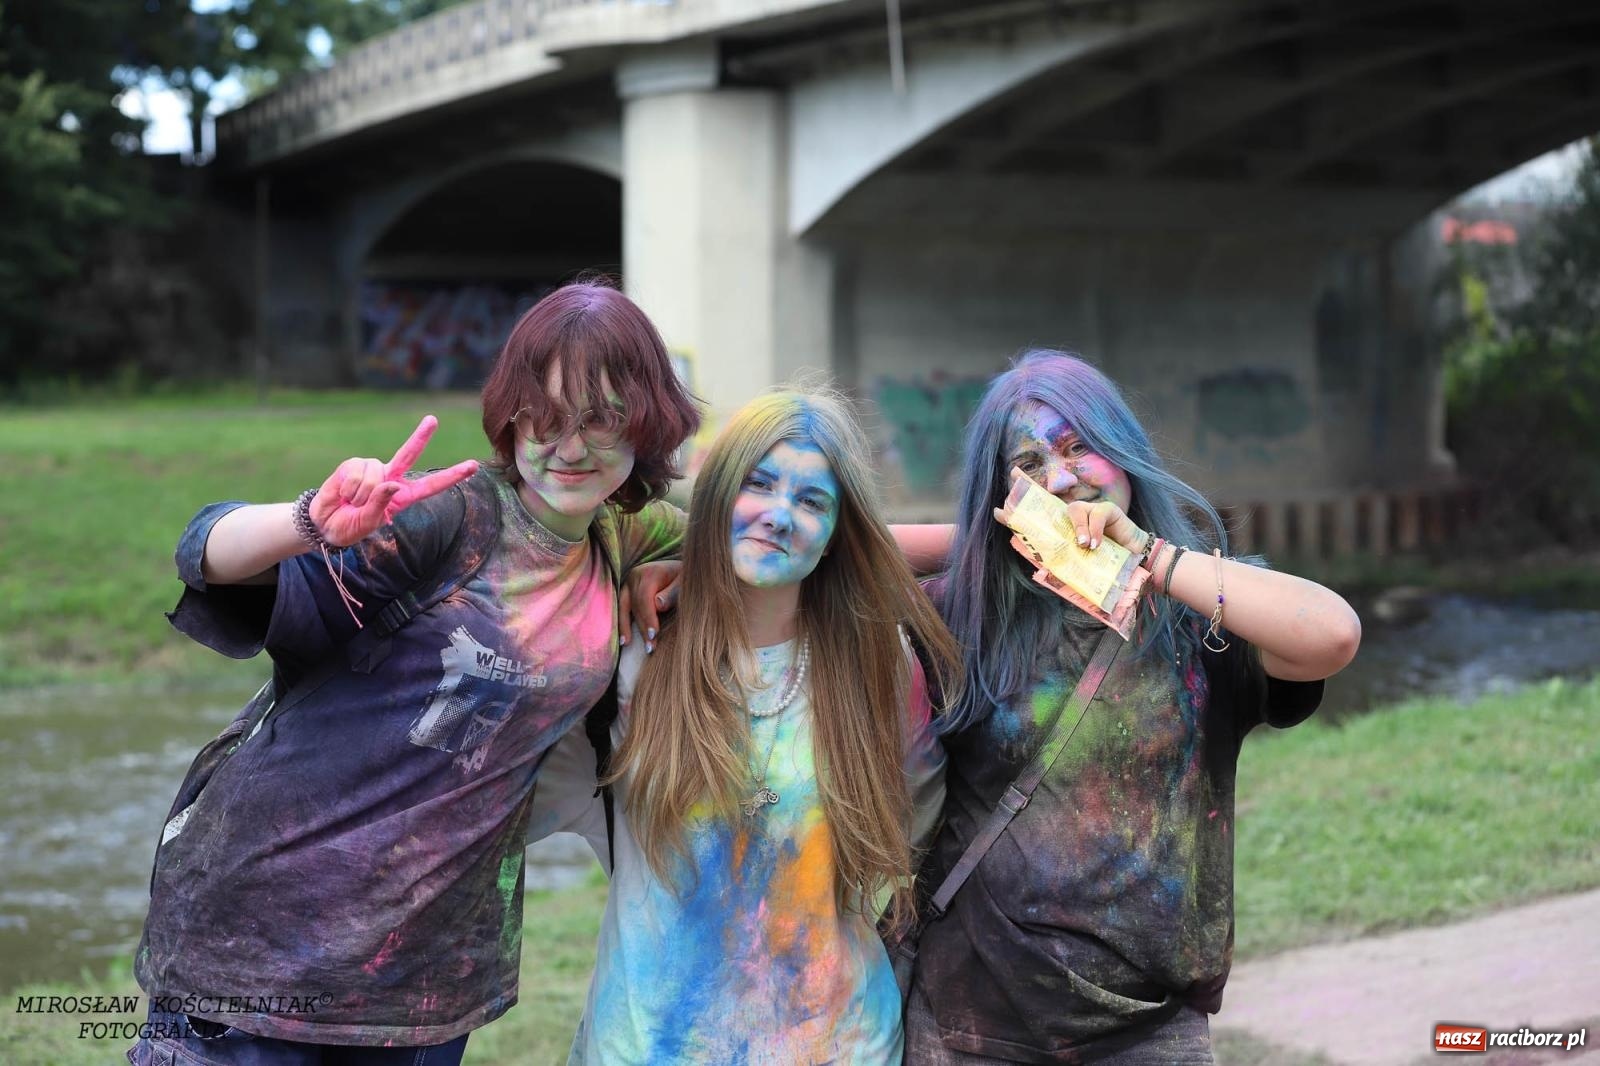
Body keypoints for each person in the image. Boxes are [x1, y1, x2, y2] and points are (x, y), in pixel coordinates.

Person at [128, 281, 701, 1065]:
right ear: (512, 415)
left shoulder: (622, 534)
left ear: (647, 424)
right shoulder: (450, 519)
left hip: (427, 982)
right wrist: (306, 523)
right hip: (261, 946)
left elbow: (802, 541)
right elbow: (204, 550)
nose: (570, 447)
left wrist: (681, 571)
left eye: (601, 419)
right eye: (548, 416)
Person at [905, 350, 1362, 1064]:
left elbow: (1332, 634)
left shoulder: (1205, 610)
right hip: (969, 1023)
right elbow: (838, 551)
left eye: (1077, 446)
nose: (1060, 478)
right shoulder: (960, 615)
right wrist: (991, 541)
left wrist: (1149, 556)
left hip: (1149, 1031)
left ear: (1122, 450)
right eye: (1027, 466)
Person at [531, 388, 962, 1064]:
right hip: (648, 1044)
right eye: (758, 485)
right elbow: (508, 792)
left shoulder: (879, 663)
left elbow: (917, 829)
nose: (779, 515)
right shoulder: (632, 649)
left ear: (833, 538)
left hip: (837, 1045)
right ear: (718, 497)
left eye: (813, 502)